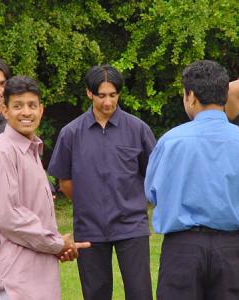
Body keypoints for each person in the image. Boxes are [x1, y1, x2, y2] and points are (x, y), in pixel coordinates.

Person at [144, 60, 239, 300]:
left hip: (182, 248)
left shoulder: (170, 141)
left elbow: (152, 193)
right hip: (231, 247)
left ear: (191, 96)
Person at [0, 75, 90, 300]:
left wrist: (59, 246)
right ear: (4, 111)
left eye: (32, 105)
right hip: (9, 282)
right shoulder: (0, 155)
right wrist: (56, 243)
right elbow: (10, 217)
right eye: (18, 106)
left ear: (41, 110)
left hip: (33, 278)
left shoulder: (31, 150)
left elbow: (34, 214)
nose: (26, 112)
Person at [48, 64, 155, 300]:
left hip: (132, 225)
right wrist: (89, 202)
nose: (107, 102)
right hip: (90, 228)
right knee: (95, 293)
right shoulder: (71, 133)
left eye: (113, 95)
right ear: (89, 93)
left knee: (140, 293)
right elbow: (64, 180)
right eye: (101, 95)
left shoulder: (138, 129)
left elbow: (153, 174)